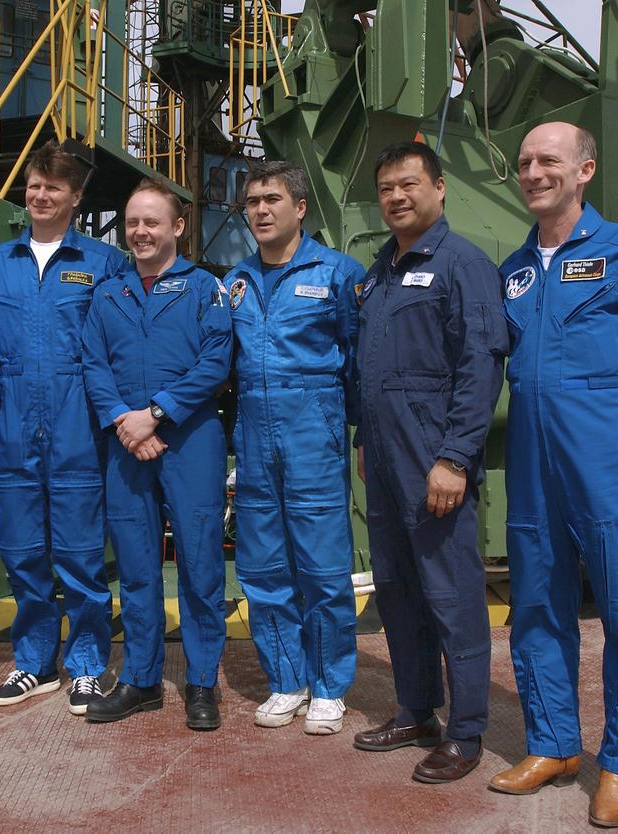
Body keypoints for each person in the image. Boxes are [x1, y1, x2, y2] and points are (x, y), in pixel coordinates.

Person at [489, 122, 618, 828]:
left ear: (584, 170)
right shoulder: (513, 269)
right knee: (538, 606)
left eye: (550, 159)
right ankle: (553, 745)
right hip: (533, 463)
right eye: (525, 162)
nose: (535, 171)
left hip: (603, 459)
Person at [351, 142, 508, 782]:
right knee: (397, 591)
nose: (396, 197)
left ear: (439, 189)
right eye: (386, 187)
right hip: (385, 461)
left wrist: (454, 457)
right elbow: (374, 370)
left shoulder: (462, 265)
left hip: (432, 459)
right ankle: (417, 710)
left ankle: (467, 731)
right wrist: (365, 440)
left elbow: (480, 368)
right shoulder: (380, 272)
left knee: (451, 595)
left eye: (409, 185)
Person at [81, 178, 232, 730]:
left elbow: (215, 364)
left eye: (152, 222)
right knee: (139, 569)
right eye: (133, 222)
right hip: (126, 445)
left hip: (189, 441)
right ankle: (141, 680)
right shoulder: (108, 293)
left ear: (178, 227)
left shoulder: (204, 290)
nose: (140, 232)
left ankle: (200, 682)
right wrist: (126, 420)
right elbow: (93, 364)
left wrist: (157, 413)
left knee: (200, 565)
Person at [0, 141, 127, 715]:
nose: (41, 195)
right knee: (21, 549)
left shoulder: (102, 263)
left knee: (80, 550)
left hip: (78, 422)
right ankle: (35, 663)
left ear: (76, 197)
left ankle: (88, 664)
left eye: (54, 187)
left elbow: (117, 345)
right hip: (14, 418)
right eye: (35, 184)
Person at [224, 161, 361, 734]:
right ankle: (287, 680)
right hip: (255, 439)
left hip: (314, 435)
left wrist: (337, 428)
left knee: (323, 568)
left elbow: (358, 361)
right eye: (252, 201)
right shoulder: (235, 281)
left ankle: (330, 685)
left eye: (272, 199)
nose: (260, 210)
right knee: (262, 567)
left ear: (299, 208)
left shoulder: (337, 273)